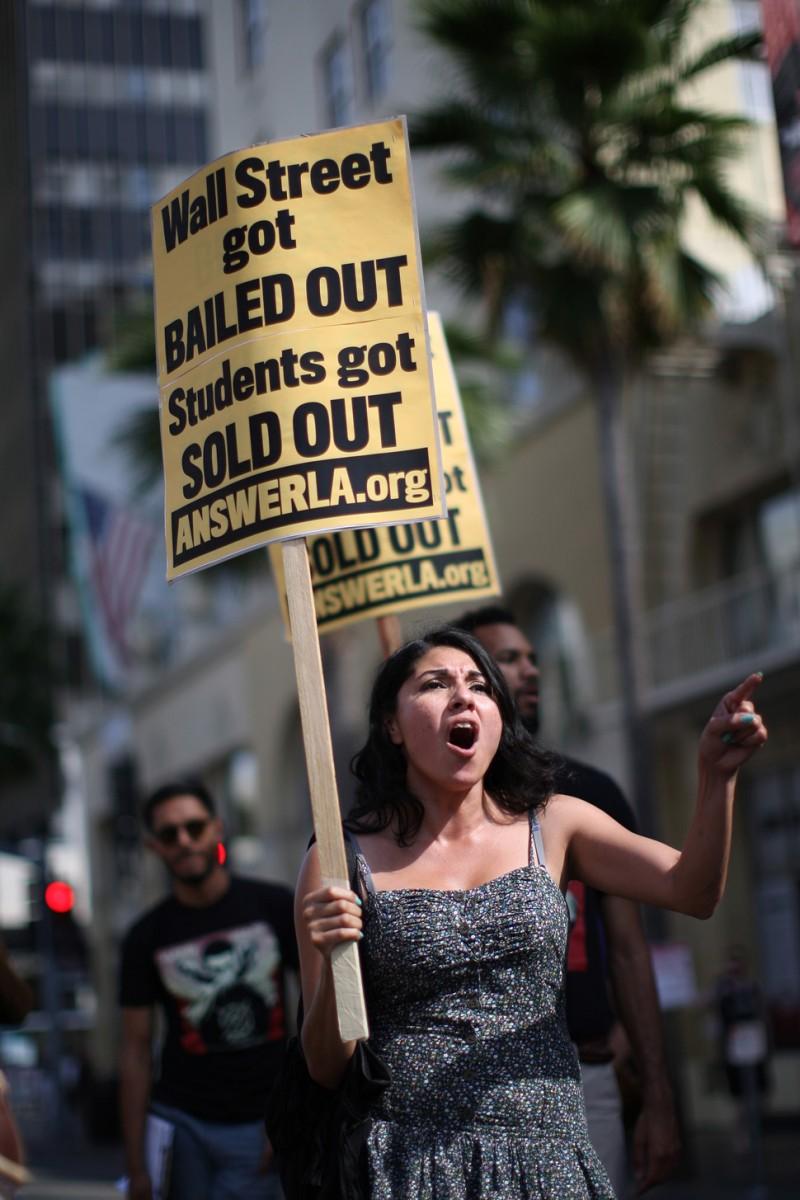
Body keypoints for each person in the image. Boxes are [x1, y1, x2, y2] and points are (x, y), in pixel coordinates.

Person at [296, 626, 766, 1199]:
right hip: (409, 1167)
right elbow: (324, 1066)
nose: (463, 697)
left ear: (498, 715)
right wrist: (329, 965)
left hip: (547, 1159)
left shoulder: (558, 823)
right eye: (435, 684)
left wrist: (717, 777)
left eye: (479, 685)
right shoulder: (337, 861)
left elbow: (694, 890)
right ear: (392, 725)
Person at [456, 605, 680, 1195]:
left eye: (532, 657)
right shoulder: (439, 813)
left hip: (589, 1078)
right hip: (472, 1093)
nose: (529, 670)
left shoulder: (588, 793)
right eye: (507, 658)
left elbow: (629, 950)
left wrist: (656, 1094)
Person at [119, 781, 298, 1200]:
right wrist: (135, 1167)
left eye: (194, 827)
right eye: (169, 834)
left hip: (264, 1122)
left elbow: (317, 1008)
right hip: (183, 1124)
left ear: (216, 829)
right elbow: (134, 1050)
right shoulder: (145, 936)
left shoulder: (272, 906)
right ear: (154, 846)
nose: (184, 841)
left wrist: (294, 1112)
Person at [711, 945, 770, 1154]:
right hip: (735, 1045)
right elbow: (718, 1013)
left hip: (753, 1041)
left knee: (757, 1090)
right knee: (739, 1095)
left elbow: (761, 1011)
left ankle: (757, 1134)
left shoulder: (753, 986)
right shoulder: (724, 988)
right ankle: (742, 1135)